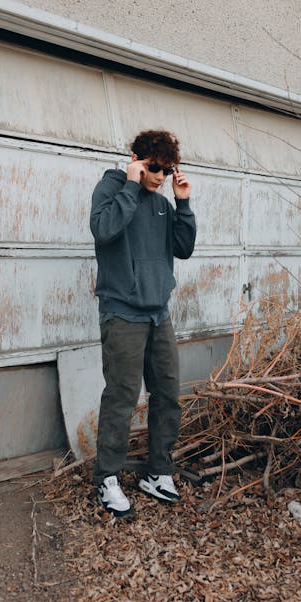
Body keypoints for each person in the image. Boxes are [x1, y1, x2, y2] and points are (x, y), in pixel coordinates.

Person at [90, 129, 196, 516]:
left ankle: (158, 471)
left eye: (166, 171)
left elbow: (183, 249)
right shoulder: (112, 189)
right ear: (135, 159)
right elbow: (104, 230)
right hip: (122, 312)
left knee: (167, 393)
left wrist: (183, 204)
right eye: (153, 168)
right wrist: (131, 187)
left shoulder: (164, 203)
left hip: (158, 313)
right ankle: (107, 478)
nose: (160, 177)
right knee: (121, 397)